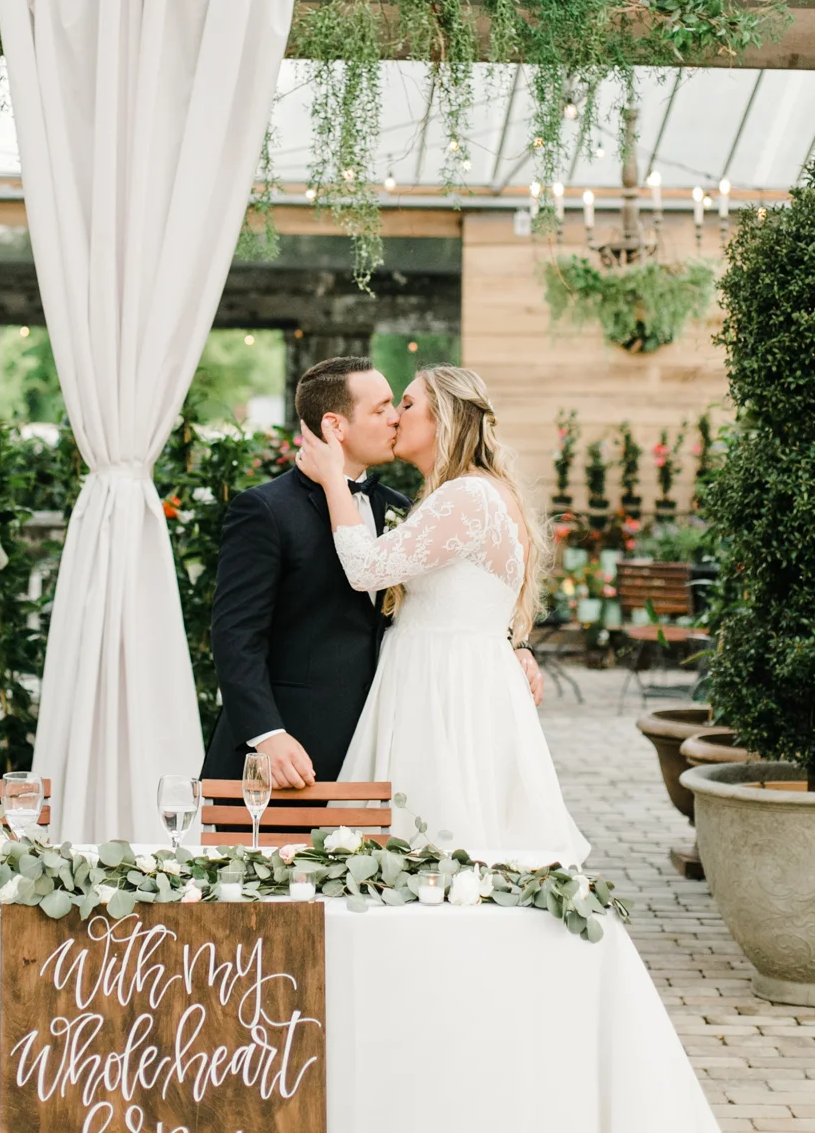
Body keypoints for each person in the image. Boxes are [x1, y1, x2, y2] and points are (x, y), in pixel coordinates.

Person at [202, 356, 543, 790]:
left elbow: (475, 579)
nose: (395, 419)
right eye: (381, 409)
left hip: (390, 741)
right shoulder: (266, 510)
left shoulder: (405, 509)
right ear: (335, 426)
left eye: (398, 406)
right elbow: (235, 636)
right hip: (288, 749)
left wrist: (517, 644)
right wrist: (267, 734)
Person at [297, 364, 588, 867]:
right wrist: (518, 646)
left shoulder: (467, 496)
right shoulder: (474, 492)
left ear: (444, 417)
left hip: (441, 690)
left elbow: (365, 568)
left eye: (406, 405)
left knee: (434, 842)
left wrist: (331, 479)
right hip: (459, 677)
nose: (393, 417)